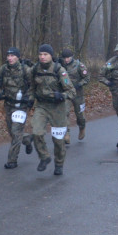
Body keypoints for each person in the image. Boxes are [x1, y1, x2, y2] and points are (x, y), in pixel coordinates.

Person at [25, 44, 74, 175]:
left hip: (57, 108)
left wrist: (62, 96)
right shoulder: (34, 69)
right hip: (41, 106)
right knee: (36, 132)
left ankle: (59, 163)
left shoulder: (59, 70)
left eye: (45, 54)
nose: (42, 57)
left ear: (51, 55)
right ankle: (44, 157)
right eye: (40, 54)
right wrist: (30, 98)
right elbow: (31, 88)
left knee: (58, 140)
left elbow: (71, 91)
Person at [0, 47, 33, 169]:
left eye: (12, 56)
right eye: (8, 56)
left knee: (15, 131)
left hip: (21, 106)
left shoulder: (26, 70)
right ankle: (27, 139)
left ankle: (12, 160)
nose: (10, 58)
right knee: (12, 132)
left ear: (18, 57)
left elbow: (34, 87)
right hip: (9, 105)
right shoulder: (3, 69)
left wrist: (29, 98)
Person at [59, 48, 89, 144]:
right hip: (66, 94)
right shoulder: (60, 65)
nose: (66, 60)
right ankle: (66, 134)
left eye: (68, 58)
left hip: (78, 94)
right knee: (64, 113)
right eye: (65, 58)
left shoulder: (79, 65)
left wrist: (79, 84)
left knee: (80, 115)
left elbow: (87, 78)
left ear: (72, 57)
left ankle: (82, 127)